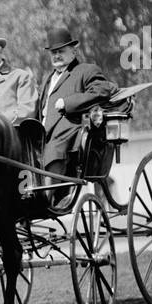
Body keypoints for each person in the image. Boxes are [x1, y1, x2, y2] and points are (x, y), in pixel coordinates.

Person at [35, 26, 118, 207]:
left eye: (61, 52)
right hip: (43, 135)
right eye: (53, 53)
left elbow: (102, 91)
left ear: (73, 51)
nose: (56, 56)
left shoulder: (85, 70)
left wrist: (68, 103)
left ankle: (46, 200)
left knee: (53, 147)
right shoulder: (48, 79)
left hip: (69, 132)